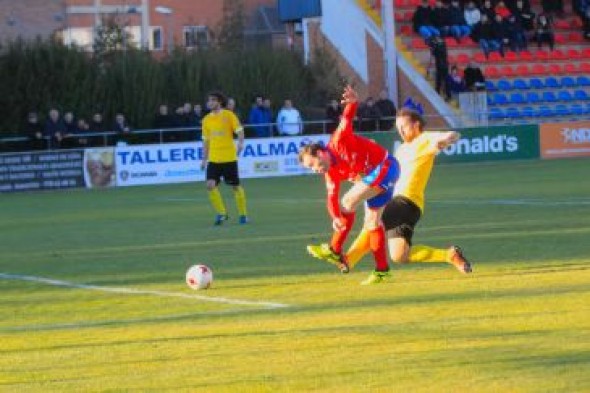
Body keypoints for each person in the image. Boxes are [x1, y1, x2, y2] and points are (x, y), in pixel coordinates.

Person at [343, 107, 472, 276]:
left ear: (416, 125)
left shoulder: (425, 139)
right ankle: (449, 255)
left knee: (375, 220)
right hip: (402, 203)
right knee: (399, 255)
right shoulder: (401, 149)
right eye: (398, 128)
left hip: (406, 200)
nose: (401, 131)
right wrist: (363, 178)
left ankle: (347, 260)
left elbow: (452, 135)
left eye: (404, 126)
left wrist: (447, 140)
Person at [300, 85, 400, 285]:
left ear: (320, 153)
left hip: (386, 167)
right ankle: (382, 270)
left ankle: (335, 249)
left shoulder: (338, 140)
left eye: (313, 165)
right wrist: (335, 217)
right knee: (372, 223)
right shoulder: (330, 173)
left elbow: (346, 118)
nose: (314, 170)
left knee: (348, 200)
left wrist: (353, 102)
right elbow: (330, 198)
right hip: (376, 178)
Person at [200, 91, 249, 225]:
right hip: (214, 159)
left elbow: (239, 131)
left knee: (235, 187)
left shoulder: (228, 115)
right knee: (210, 185)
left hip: (229, 158)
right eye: (209, 100)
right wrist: (204, 159)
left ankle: (243, 214)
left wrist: (240, 143)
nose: (210, 103)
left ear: (219, 102)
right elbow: (206, 141)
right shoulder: (206, 120)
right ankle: (222, 213)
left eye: (213, 100)